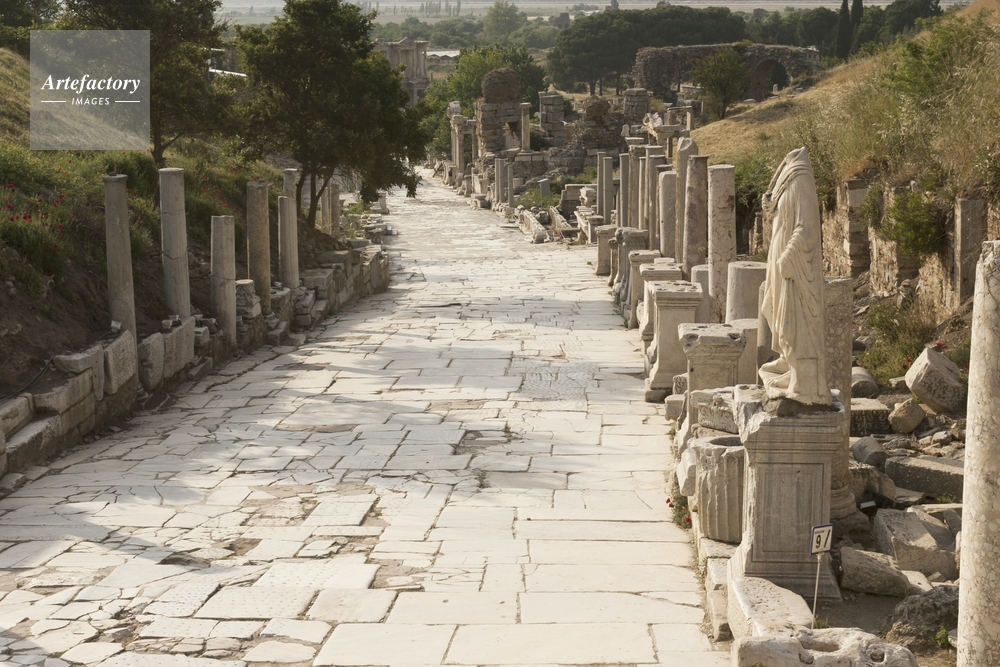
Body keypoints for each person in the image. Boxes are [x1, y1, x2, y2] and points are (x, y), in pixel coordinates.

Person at [758, 147, 832, 406]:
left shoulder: (801, 178)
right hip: (779, 257)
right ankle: (789, 363)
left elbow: (807, 226)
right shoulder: (786, 176)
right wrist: (771, 205)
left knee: (795, 318)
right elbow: (781, 211)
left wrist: (789, 256)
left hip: (794, 261)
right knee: (774, 309)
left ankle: (805, 383)